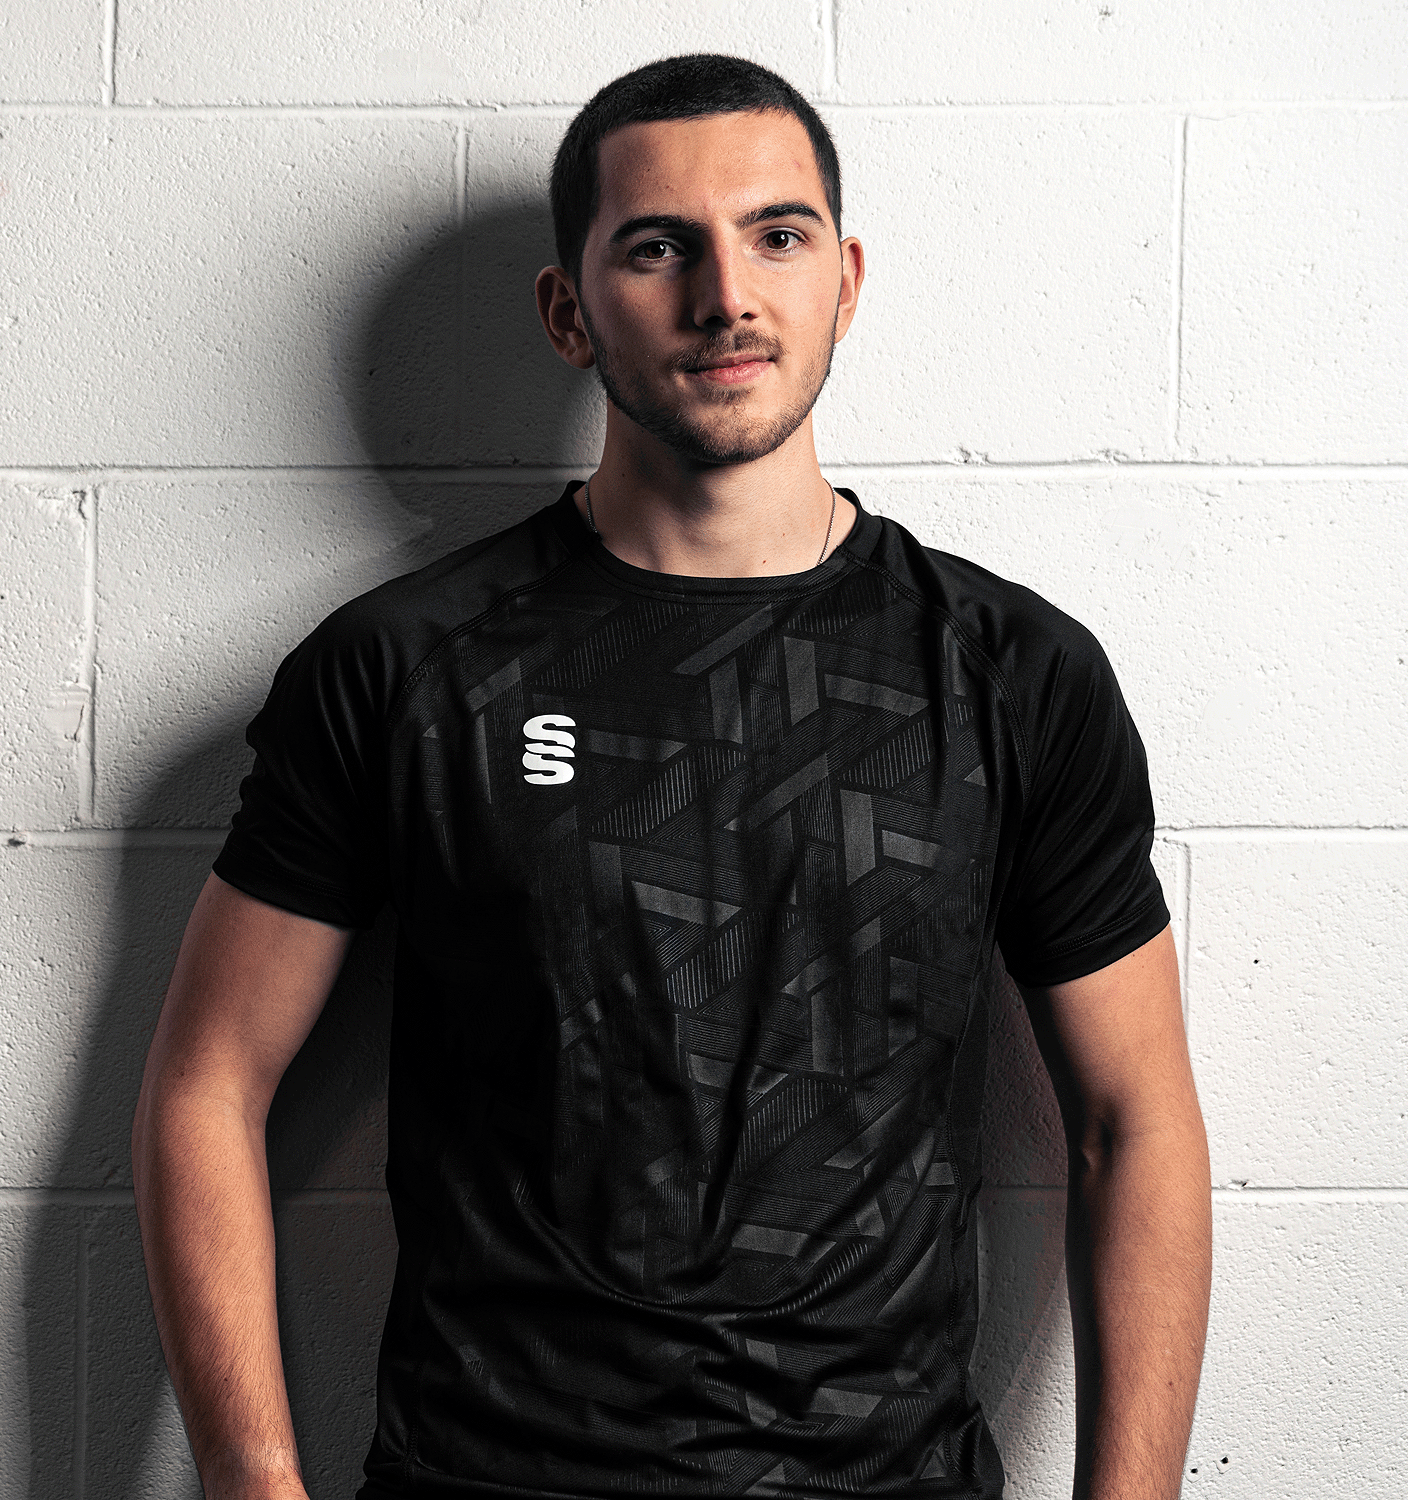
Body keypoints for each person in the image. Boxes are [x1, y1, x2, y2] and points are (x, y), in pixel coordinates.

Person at [132, 53, 1211, 1500]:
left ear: (846, 281)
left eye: (779, 235)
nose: (727, 296)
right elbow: (206, 1084)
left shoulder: (1010, 674)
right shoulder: (407, 667)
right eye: (658, 248)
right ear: (568, 312)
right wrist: (252, 1487)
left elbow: (1134, 1125)